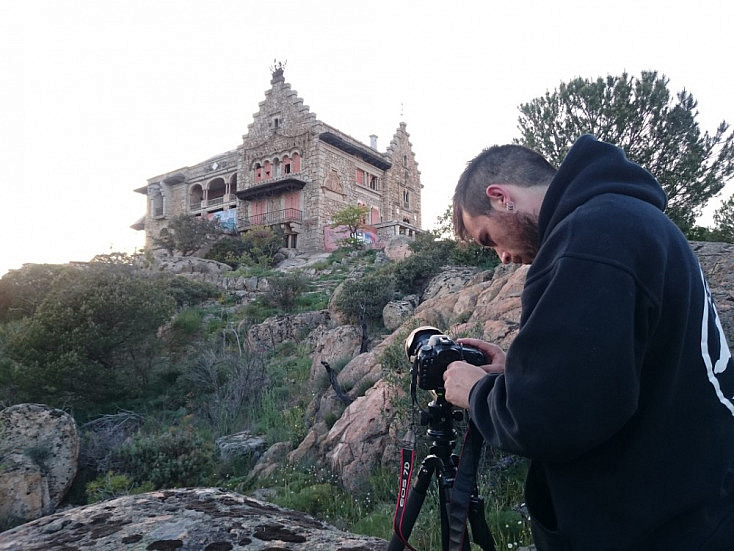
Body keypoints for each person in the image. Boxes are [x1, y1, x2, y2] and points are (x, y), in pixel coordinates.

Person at [442, 134, 734, 550]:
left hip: (653, 527)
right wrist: (520, 372)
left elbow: (551, 417)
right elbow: (630, 367)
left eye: (488, 238)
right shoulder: (629, 219)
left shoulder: (590, 239)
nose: (502, 258)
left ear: (501, 197)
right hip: (690, 506)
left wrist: (475, 392)